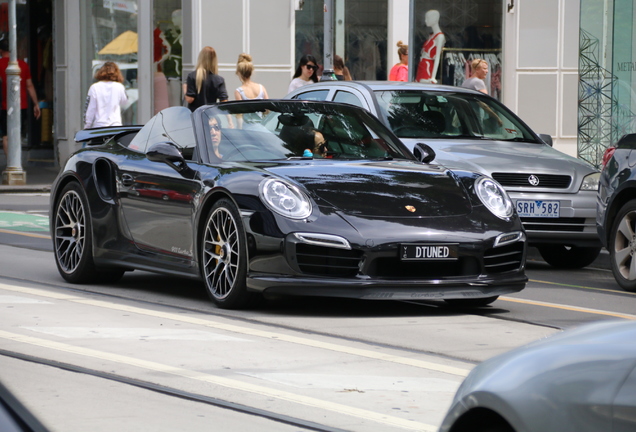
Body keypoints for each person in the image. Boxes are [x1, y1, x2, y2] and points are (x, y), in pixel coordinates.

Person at [0, 39, 41, 156]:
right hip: (21, 105)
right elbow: (29, 86)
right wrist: (36, 103)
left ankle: (10, 163)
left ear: (1, 51)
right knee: (16, 133)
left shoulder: (1, 64)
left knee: (6, 136)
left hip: (5, 105)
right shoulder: (22, 64)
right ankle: (16, 159)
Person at [84, 61, 128, 129]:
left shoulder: (94, 87)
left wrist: (87, 126)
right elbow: (124, 102)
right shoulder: (119, 87)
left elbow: (90, 108)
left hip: (99, 126)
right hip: (115, 125)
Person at [185, 46, 228, 112]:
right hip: (211, 116)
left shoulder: (192, 76)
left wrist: (185, 89)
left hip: (196, 116)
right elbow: (224, 101)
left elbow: (190, 99)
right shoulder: (219, 80)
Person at [416, 10, 446, 83]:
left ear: (435, 19)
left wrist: (433, 76)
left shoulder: (440, 37)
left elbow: (437, 57)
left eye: (427, 18)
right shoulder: (431, 36)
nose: (425, 21)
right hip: (422, 65)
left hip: (427, 66)